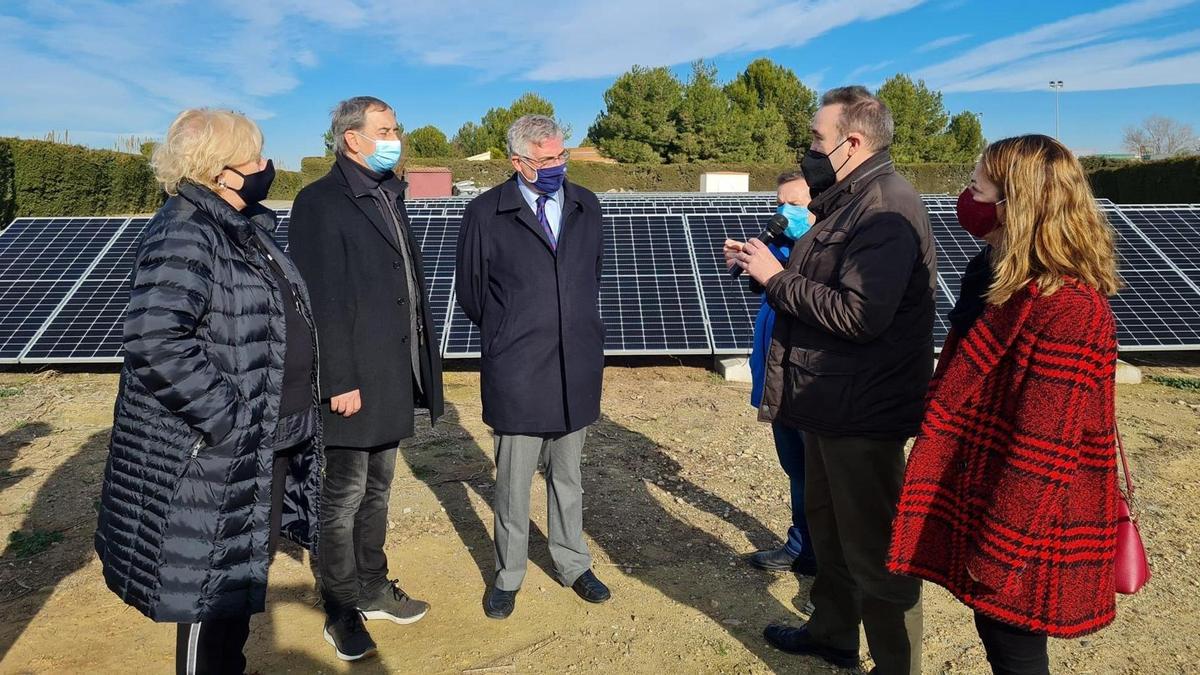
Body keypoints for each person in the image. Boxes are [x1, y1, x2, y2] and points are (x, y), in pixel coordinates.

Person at [94, 108, 323, 674]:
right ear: (218, 170)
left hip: (262, 444)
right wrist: (229, 419)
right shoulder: (187, 231)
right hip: (216, 456)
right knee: (209, 595)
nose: (266, 166)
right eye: (254, 158)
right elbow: (155, 340)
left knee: (239, 581)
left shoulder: (242, 226)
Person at [888, 135, 1121, 675]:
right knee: (996, 633)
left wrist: (998, 551)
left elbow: (1045, 451)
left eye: (977, 187)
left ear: (1019, 204)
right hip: (988, 494)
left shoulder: (1070, 310)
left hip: (1027, 524)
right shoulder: (1004, 281)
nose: (965, 198)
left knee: (1014, 648)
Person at [729, 86, 934, 674]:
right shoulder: (845, 199)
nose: (809, 149)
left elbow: (859, 315)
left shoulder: (887, 209)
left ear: (852, 142)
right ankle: (833, 634)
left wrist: (774, 280)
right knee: (831, 534)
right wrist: (760, 267)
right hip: (825, 401)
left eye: (817, 138)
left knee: (874, 550)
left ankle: (898, 664)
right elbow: (813, 279)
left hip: (861, 411)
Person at [289, 96, 445, 661]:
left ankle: (374, 586)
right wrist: (338, 378)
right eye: (385, 129)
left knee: (378, 491)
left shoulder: (388, 194)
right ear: (352, 138)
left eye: (395, 127)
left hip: (391, 372)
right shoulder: (320, 203)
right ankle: (340, 607)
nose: (396, 136)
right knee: (342, 497)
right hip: (351, 380)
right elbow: (321, 300)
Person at [455, 114, 610, 620]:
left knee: (568, 476)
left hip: (576, 365)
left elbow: (592, 276)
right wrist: (514, 329)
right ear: (518, 162)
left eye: (561, 156)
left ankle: (572, 562)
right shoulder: (485, 213)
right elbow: (473, 293)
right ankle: (508, 575)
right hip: (518, 368)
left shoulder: (588, 206)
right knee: (512, 483)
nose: (558, 166)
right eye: (546, 160)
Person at [742, 171, 819, 576]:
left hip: (808, 384)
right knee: (797, 469)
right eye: (779, 203)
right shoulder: (782, 249)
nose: (784, 212)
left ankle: (828, 567)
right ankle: (801, 548)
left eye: (795, 204)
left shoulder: (827, 253)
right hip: (777, 379)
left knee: (822, 477)